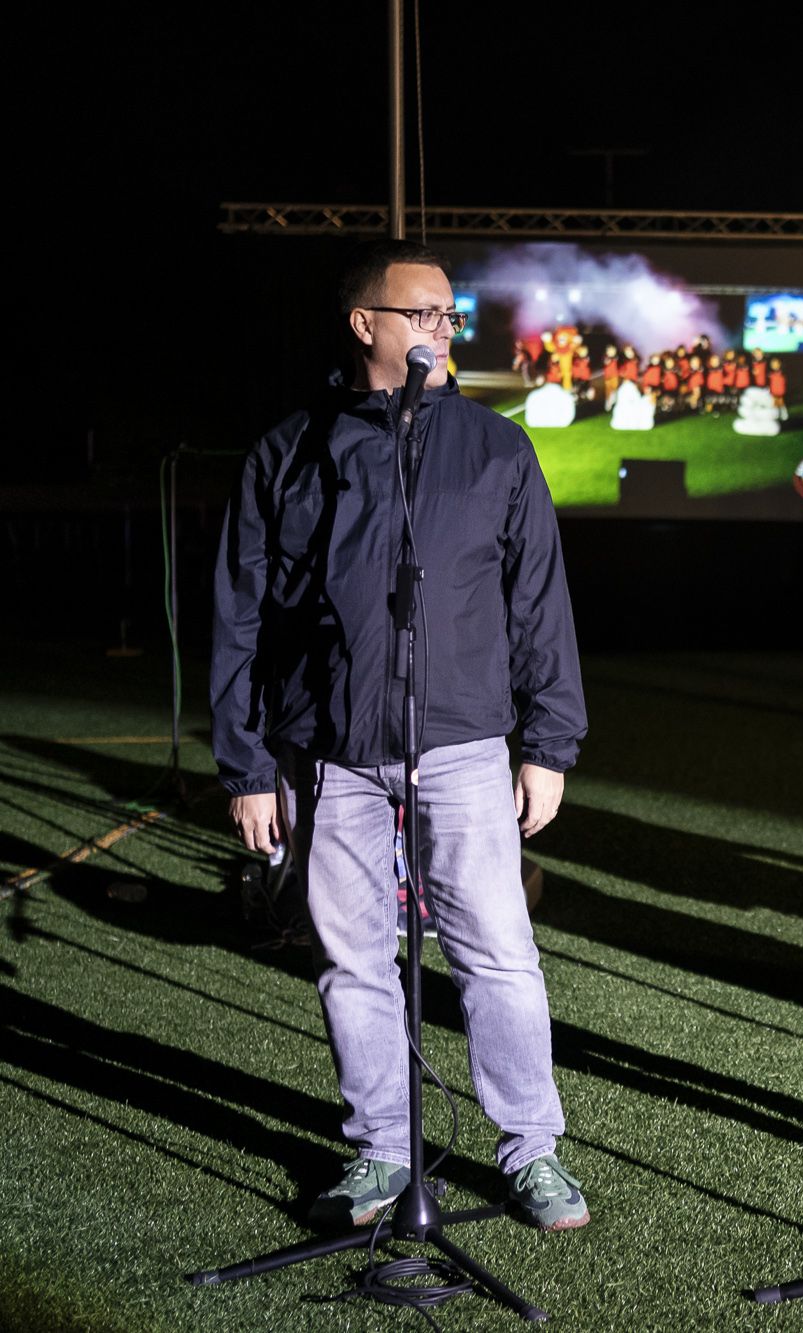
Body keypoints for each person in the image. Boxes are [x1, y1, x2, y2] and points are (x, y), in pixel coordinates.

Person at [211, 239, 591, 1232]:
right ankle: (380, 1151)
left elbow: (539, 602)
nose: (441, 328)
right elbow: (241, 613)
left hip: (463, 741)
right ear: (364, 323)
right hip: (330, 746)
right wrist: (248, 762)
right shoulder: (289, 451)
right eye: (421, 312)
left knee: (498, 954)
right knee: (351, 961)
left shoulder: (495, 447)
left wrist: (548, 741)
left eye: (449, 315)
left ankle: (533, 1152)